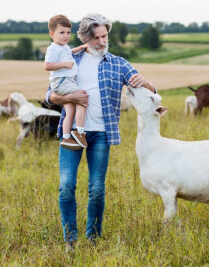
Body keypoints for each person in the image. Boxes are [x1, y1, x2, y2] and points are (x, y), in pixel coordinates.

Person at [45, 13, 156, 252]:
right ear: (85, 38)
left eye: (104, 36)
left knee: (96, 189)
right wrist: (69, 97)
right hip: (72, 133)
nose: (102, 42)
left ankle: (93, 239)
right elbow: (50, 95)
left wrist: (146, 82)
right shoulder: (70, 57)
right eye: (96, 38)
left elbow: (151, 92)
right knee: (66, 186)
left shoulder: (118, 63)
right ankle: (70, 241)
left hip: (102, 135)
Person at [45, 14, 88, 150]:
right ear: (52, 34)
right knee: (82, 99)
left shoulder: (63, 47)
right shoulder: (53, 48)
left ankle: (66, 137)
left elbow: (70, 52)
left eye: (68, 32)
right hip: (62, 81)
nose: (66, 36)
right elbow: (47, 65)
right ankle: (80, 132)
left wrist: (81, 48)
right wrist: (64, 64)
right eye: (62, 32)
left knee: (70, 111)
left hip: (65, 81)